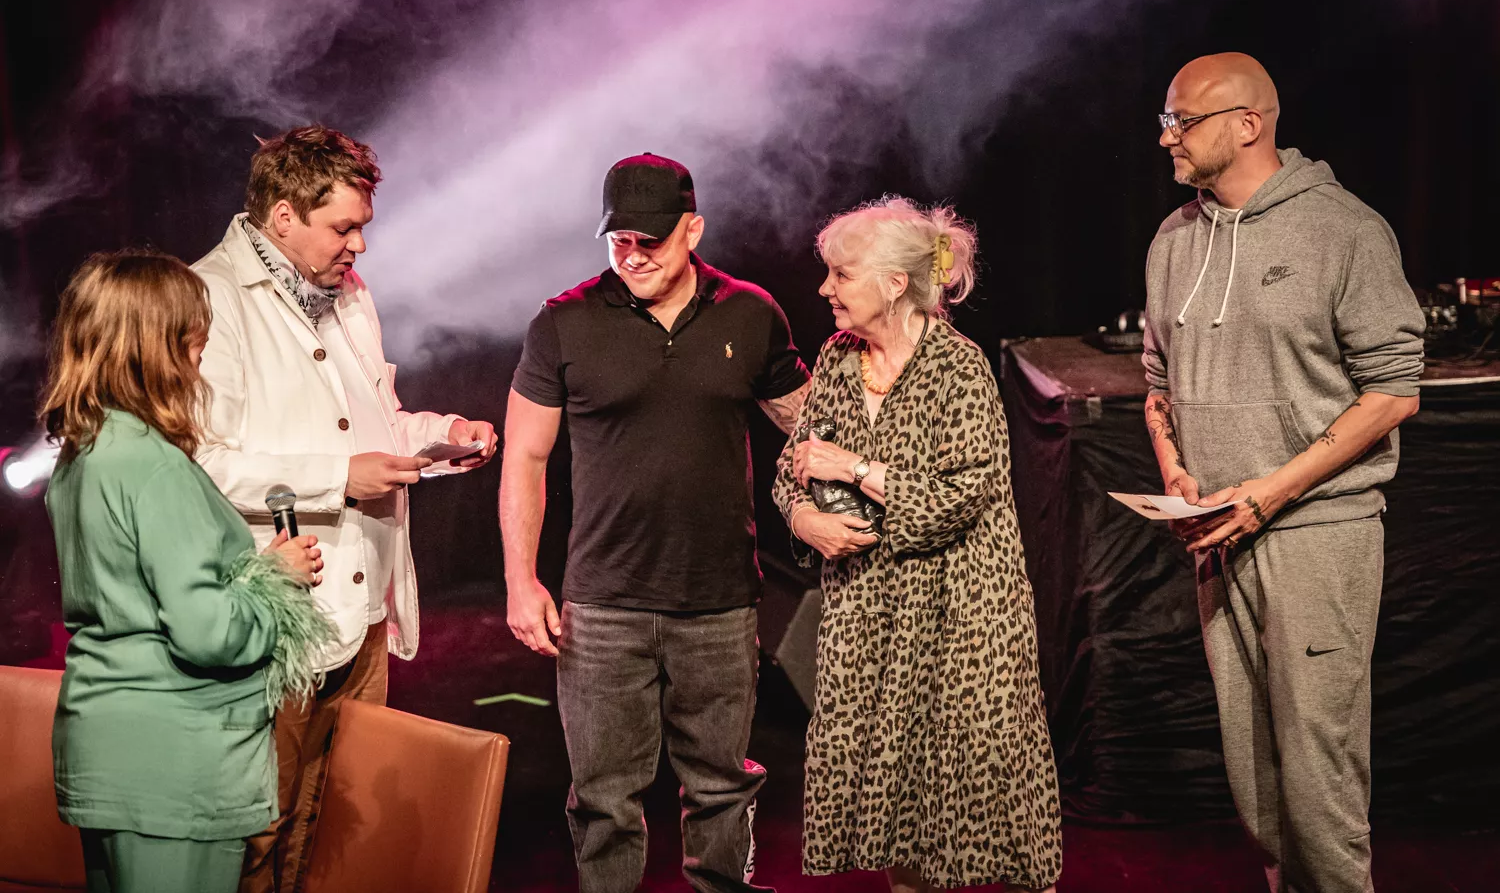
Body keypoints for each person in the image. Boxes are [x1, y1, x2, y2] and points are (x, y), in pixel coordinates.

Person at [1143, 52, 1425, 893]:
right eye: (1164, 120)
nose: (1166, 137)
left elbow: (1394, 392)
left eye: (1182, 120)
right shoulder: (1172, 239)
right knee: (1256, 775)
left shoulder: (1344, 230)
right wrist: (1176, 471)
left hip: (1317, 534)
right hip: (1216, 537)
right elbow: (1157, 385)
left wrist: (1269, 492)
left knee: (1318, 769)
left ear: (1247, 124)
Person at [192, 125, 498, 893]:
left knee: (331, 822)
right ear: (283, 216)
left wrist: (442, 438)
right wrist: (336, 477)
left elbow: (376, 424)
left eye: (363, 226)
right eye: (343, 227)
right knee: (257, 825)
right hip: (278, 616)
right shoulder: (209, 297)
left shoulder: (349, 293)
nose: (359, 245)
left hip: (361, 609)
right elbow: (201, 461)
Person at [501, 153, 810, 893]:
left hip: (720, 601)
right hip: (603, 604)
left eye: (651, 241)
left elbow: (811, 429)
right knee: (605, 799)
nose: (633, 256)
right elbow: (526, 458)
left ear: (692, 230)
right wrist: (520, 580)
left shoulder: (751, 313)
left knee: (722, 787)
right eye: (620, 242)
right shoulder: (564, 322)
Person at [772, 197, 1062, 893]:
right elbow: (793, 467)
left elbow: (959, 497)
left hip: (961, 615)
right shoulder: (838, 360)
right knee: (892, 800)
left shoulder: (959, 368)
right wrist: (804, 518)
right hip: (868, 611)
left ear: (895, 283)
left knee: (986, 790)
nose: (825, 288)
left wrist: (854, 469)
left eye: (841, 275)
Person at [40, 251, 332, 893]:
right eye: (194, 336)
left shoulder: (85, 452)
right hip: (173, 764)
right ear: (159, 346)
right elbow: (208, 632)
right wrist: (277, 581)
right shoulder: (154, 466)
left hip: (107, 748)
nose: (202, 352)